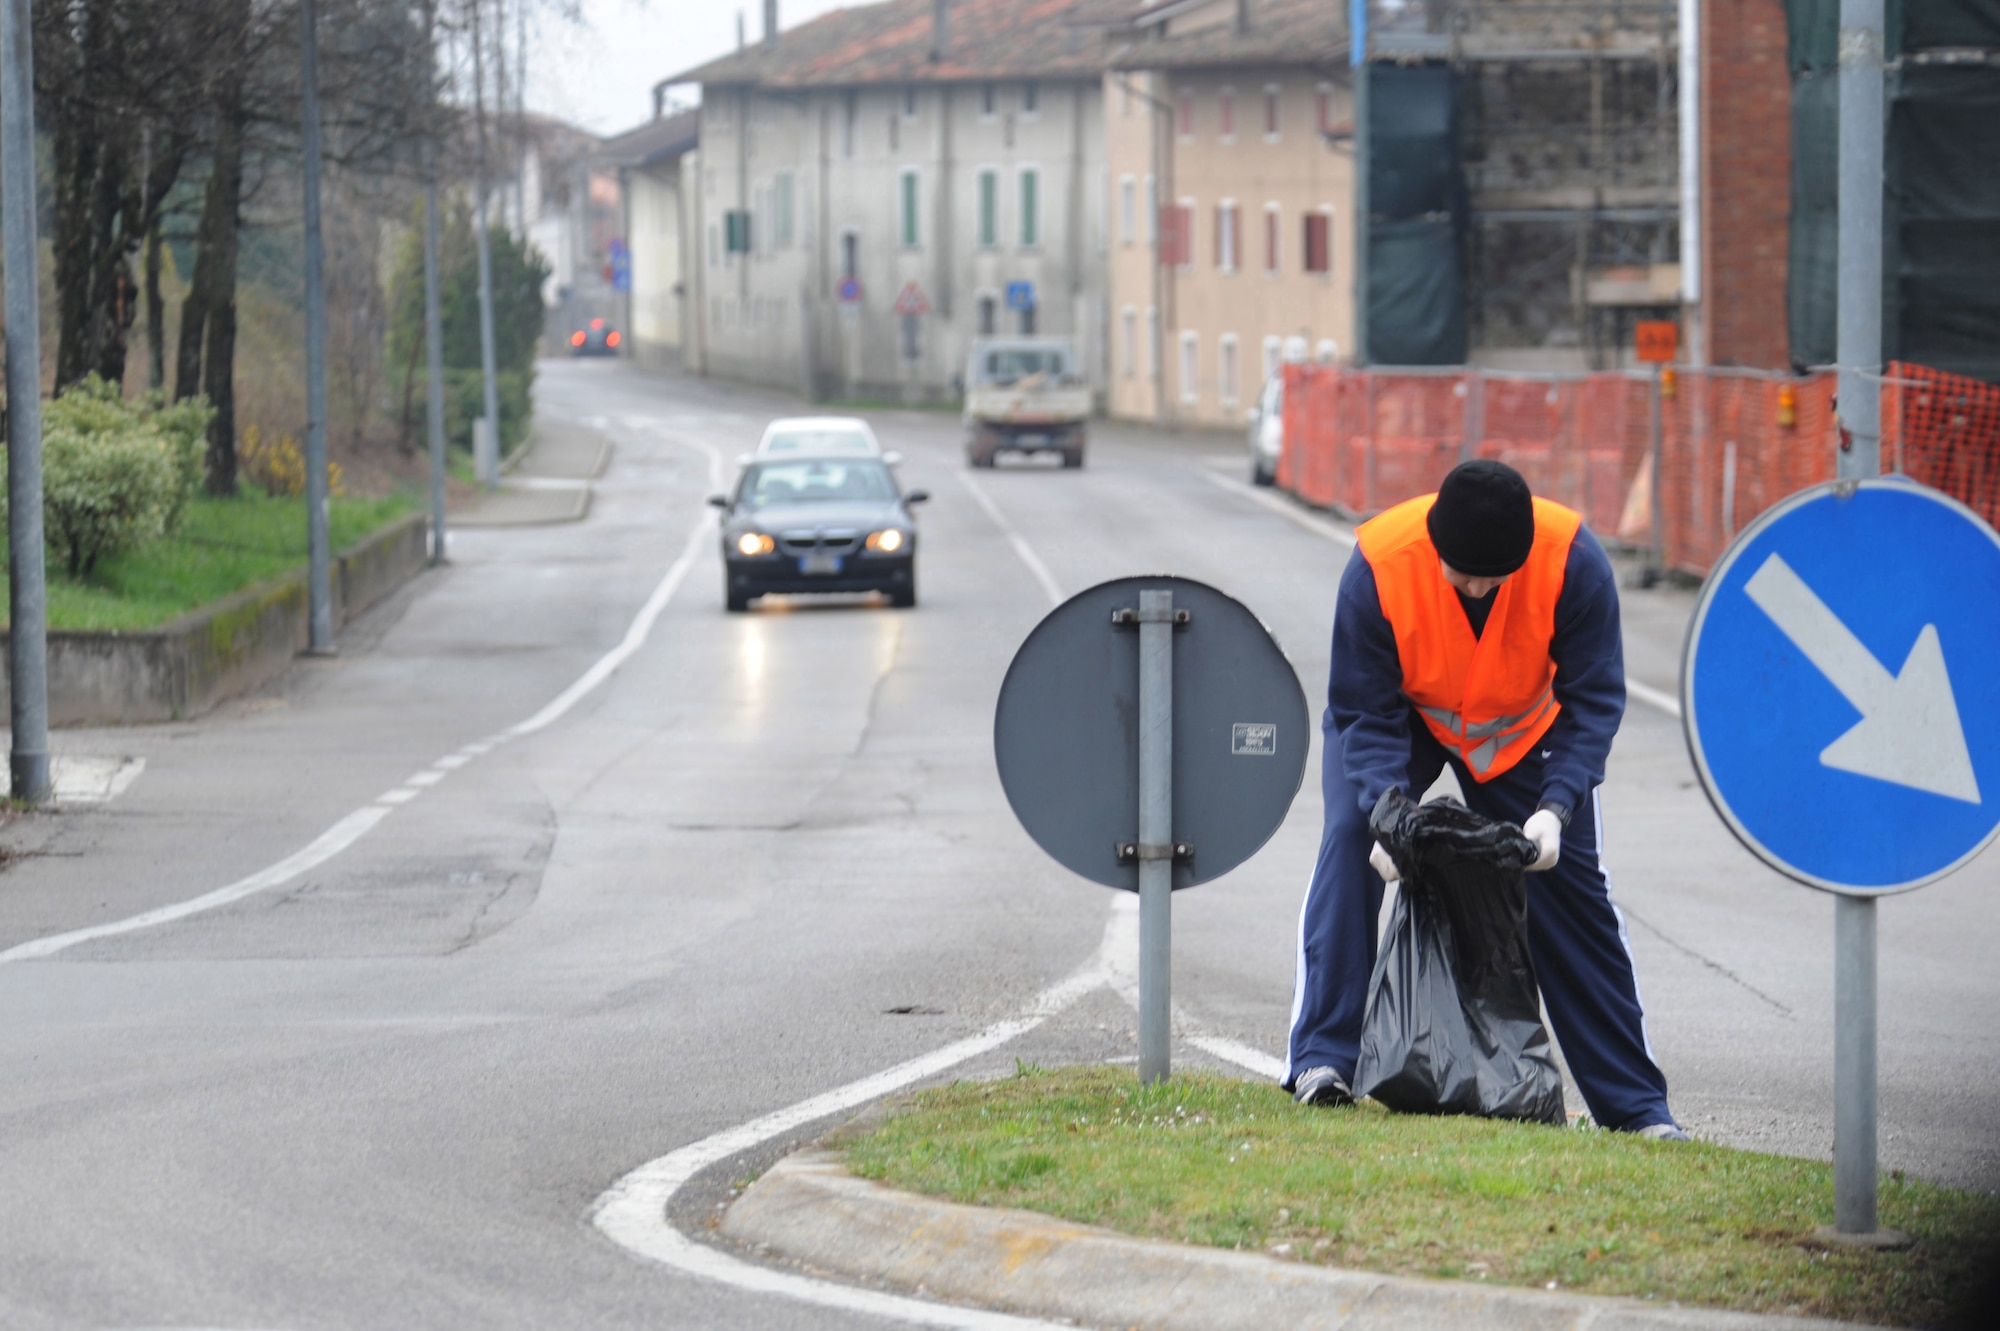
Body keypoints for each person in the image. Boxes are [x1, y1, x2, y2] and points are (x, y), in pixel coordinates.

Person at [1284, 458, 1686, 1139]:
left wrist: (1557, 807)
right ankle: (1325, 1059)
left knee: (1569, 886)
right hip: (1405, 717)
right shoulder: (1379, 564)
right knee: (1352, 837)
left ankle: (1636, 1108)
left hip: (1520, 733)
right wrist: (1388, 811)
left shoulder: (1574, 564)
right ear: (1436, 546)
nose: (1474, 587)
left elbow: (1592, 705)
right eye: (1460, 573)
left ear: (1522, 558)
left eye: (1491, 578)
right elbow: (1364, 713)